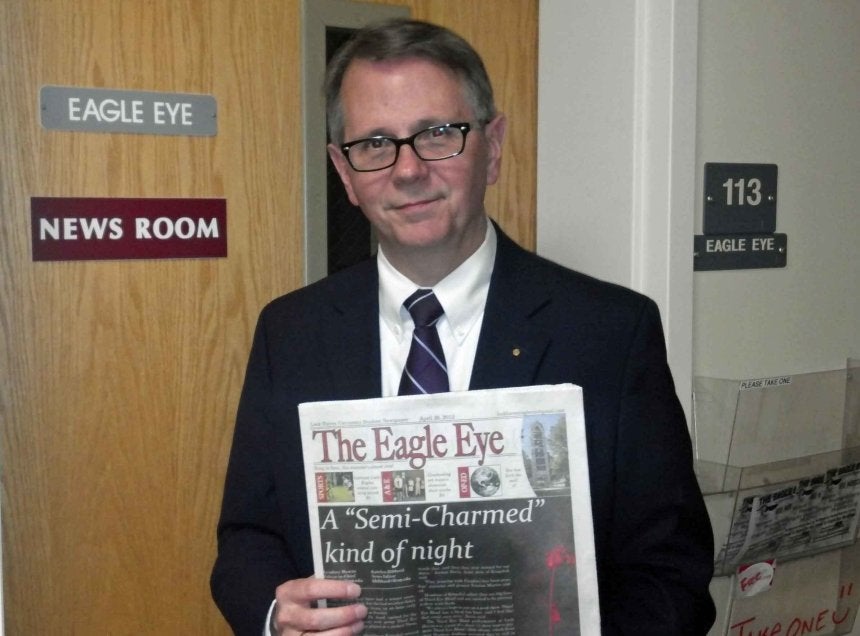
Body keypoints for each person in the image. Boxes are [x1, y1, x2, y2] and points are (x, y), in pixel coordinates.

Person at [211, 18, 716, 636]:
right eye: (374, 144)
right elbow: (246, 537)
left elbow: (670, 573)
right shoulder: (289, 332)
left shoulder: (611, 332)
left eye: (437, 134)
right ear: (344, 173)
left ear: (493, 146)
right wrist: (273, 615)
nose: (407, 170)